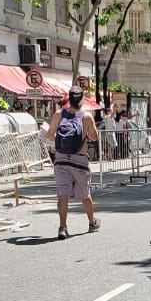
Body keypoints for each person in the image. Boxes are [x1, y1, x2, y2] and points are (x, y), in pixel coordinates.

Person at [46, 87, 101, 239]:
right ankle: (92, 222)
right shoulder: (87, 117)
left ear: (69, 99)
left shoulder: (58, 115)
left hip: (61, 159)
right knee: (85, 194)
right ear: (82, 100)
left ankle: (63, 227)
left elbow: (50, 135)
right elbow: (95, 137)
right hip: (80, 161)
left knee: (63, 195)